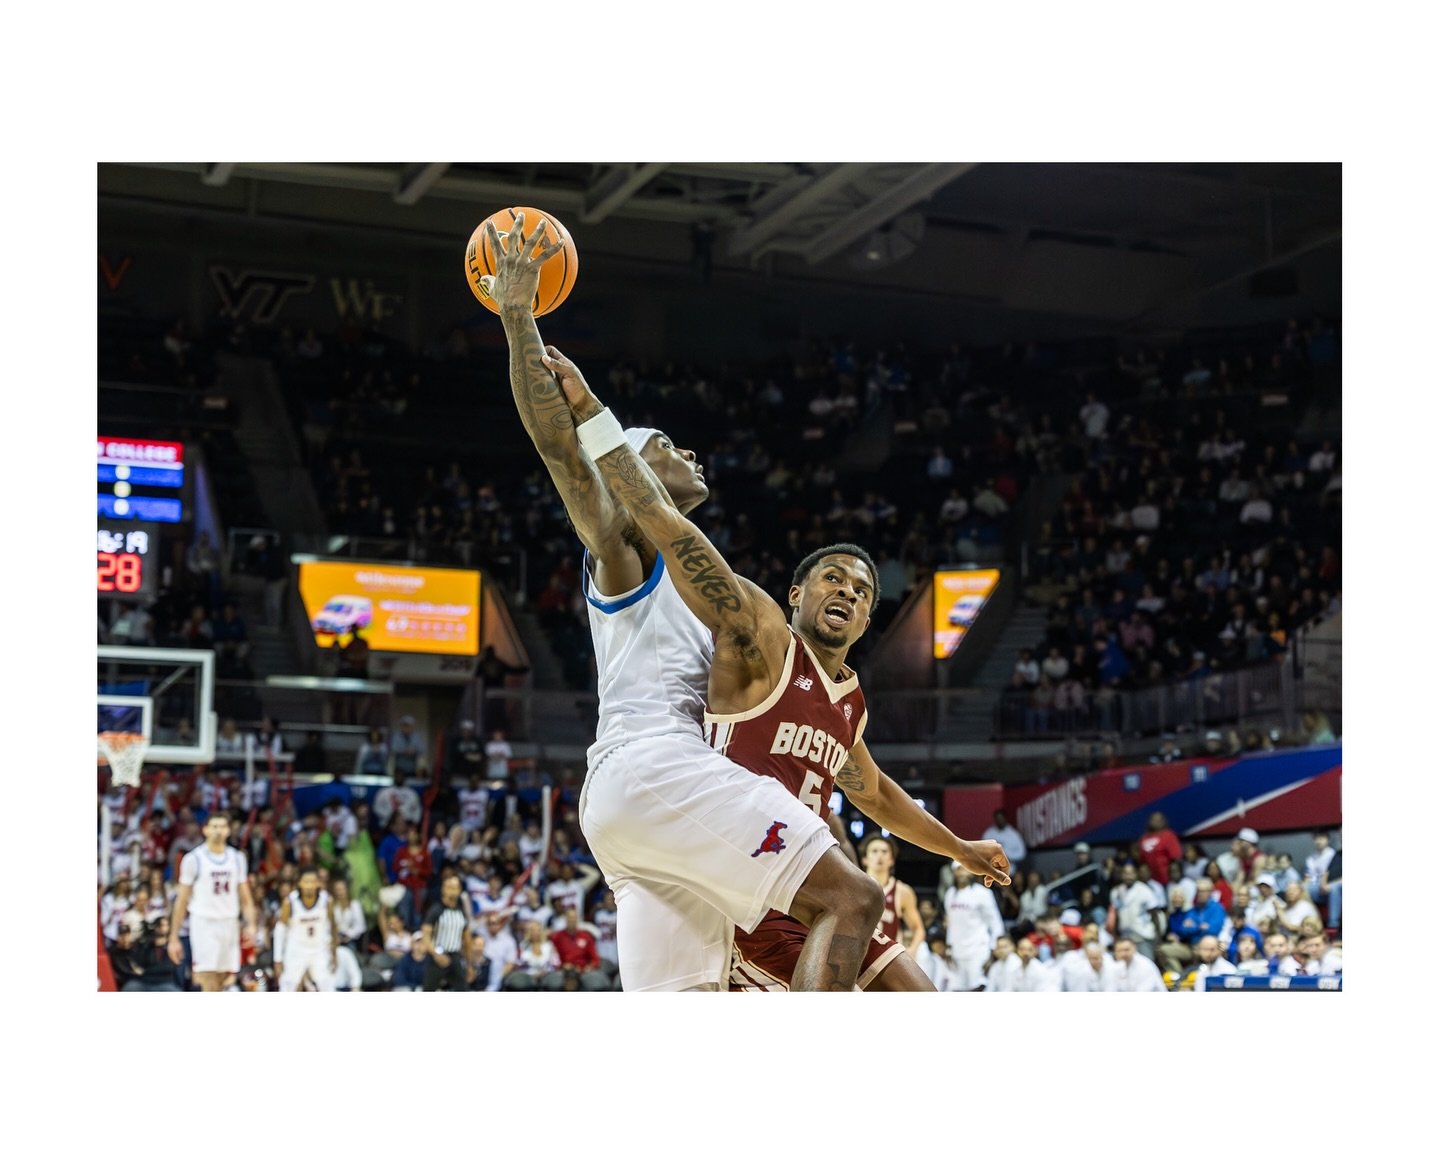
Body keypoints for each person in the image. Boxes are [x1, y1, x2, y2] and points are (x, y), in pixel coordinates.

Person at [483, 219, 960, 992]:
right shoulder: (628, 550)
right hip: (658, 767)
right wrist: (517, 316)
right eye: (668, 446)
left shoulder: (706, 583)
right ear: (632, 465)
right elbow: (561, 451)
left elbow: (865, 781)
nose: (689, 453)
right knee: (854, 897)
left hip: (642, 817)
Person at [539, 325, 1010, 994]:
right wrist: (590, 413)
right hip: (748, 871)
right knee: (854, 900)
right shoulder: (756, 635)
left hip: (800, 868)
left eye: (861, 590)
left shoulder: (848, 704)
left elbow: (875, 794)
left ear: (870, 618)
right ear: (794, 594)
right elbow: (663, 525)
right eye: (831, 578)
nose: (846, 591)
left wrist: (959, 848)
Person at [167, 813, 257, 992]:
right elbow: (182, 900)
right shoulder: (194, 859)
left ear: (228, 830)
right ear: (205, 830)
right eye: (214, 826)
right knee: (206, 977)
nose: (218, 831)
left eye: (222, 826)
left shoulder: (237, 858)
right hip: (204, 924)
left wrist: (252, 924)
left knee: (224, 978)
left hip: (229, 922)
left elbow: (245, 897)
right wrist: (173, 937)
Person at [274, 865, 338, 993]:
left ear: (318, 883)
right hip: (296, 950)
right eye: (306, 882)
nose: (309, 886)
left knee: (327, 986)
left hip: (319, 949)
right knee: (288, 986)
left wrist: (334, 951)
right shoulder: (290, 902)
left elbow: (333, 927)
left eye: (313, 882)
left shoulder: (327, 900)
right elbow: (280, 931)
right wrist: (277, 958)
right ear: (299, 883)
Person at [860, 834, 926, 956]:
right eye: (874, 851)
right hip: (859, 957)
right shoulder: (855, 888)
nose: (879, 855)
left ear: (892, 860)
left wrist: (912, 950)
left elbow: (918, 929)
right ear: (865, 859)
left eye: (884, 851)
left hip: (888, 958)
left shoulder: (902, 891)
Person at [420, 874, 474, 992]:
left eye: (455, 888)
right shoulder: (436, 910)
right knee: (429, 990)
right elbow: (425, 935)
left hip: (455, 956)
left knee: (463, 989)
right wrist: (436, 954)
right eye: (449, 887)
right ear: (443, 889)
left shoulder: (461, 912)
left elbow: (467, 940)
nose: (452, 891)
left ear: (459, 890)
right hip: (437, 955)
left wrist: (469, 965)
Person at [982, 809, 1027, 875]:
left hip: (1010, 872)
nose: (1000, 821)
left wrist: (1009, 858)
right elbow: (981, 851)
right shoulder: (988, 834)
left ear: (1005, 819)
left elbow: (1022, 853)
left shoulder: (1014, 834)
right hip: (992, 871)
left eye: (1001, 818)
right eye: (998, 819)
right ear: (995, 819)